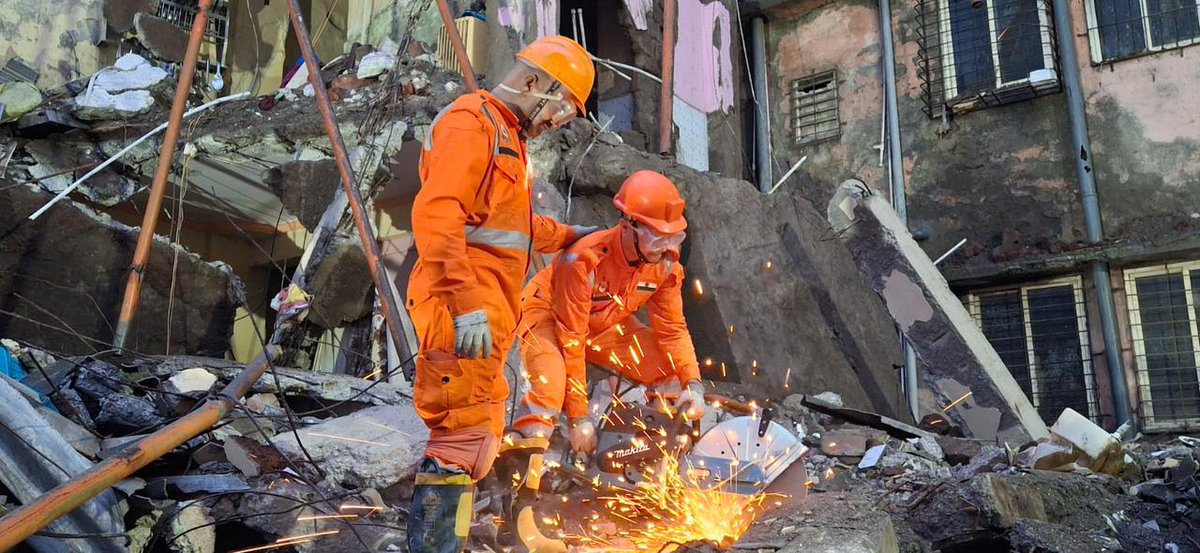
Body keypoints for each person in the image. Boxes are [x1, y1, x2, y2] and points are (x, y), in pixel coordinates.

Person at [405, 35, 596, 553]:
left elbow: (513, 228)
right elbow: (436, 217)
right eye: (562, 107)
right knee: (458, 439)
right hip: (460, 309)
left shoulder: (508, 138)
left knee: (479, 442)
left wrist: (572, 236)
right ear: (533, 82)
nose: (560, 121)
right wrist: (467, 307)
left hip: (485, 316)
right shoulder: (472, 123)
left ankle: (454, 541)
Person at [508, 170, 706, 459]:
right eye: (657, 239)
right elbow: (571, 338)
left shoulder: (665, 267)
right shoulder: (583, 259)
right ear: (628, 226)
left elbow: (673, 330)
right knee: (550, 387)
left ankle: (651, 456)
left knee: (670, 374)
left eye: (674, 238)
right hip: (547, 314)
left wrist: (694, 385)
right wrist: (579, 419)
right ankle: (521, 463)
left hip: (603, 323)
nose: (667, 249)